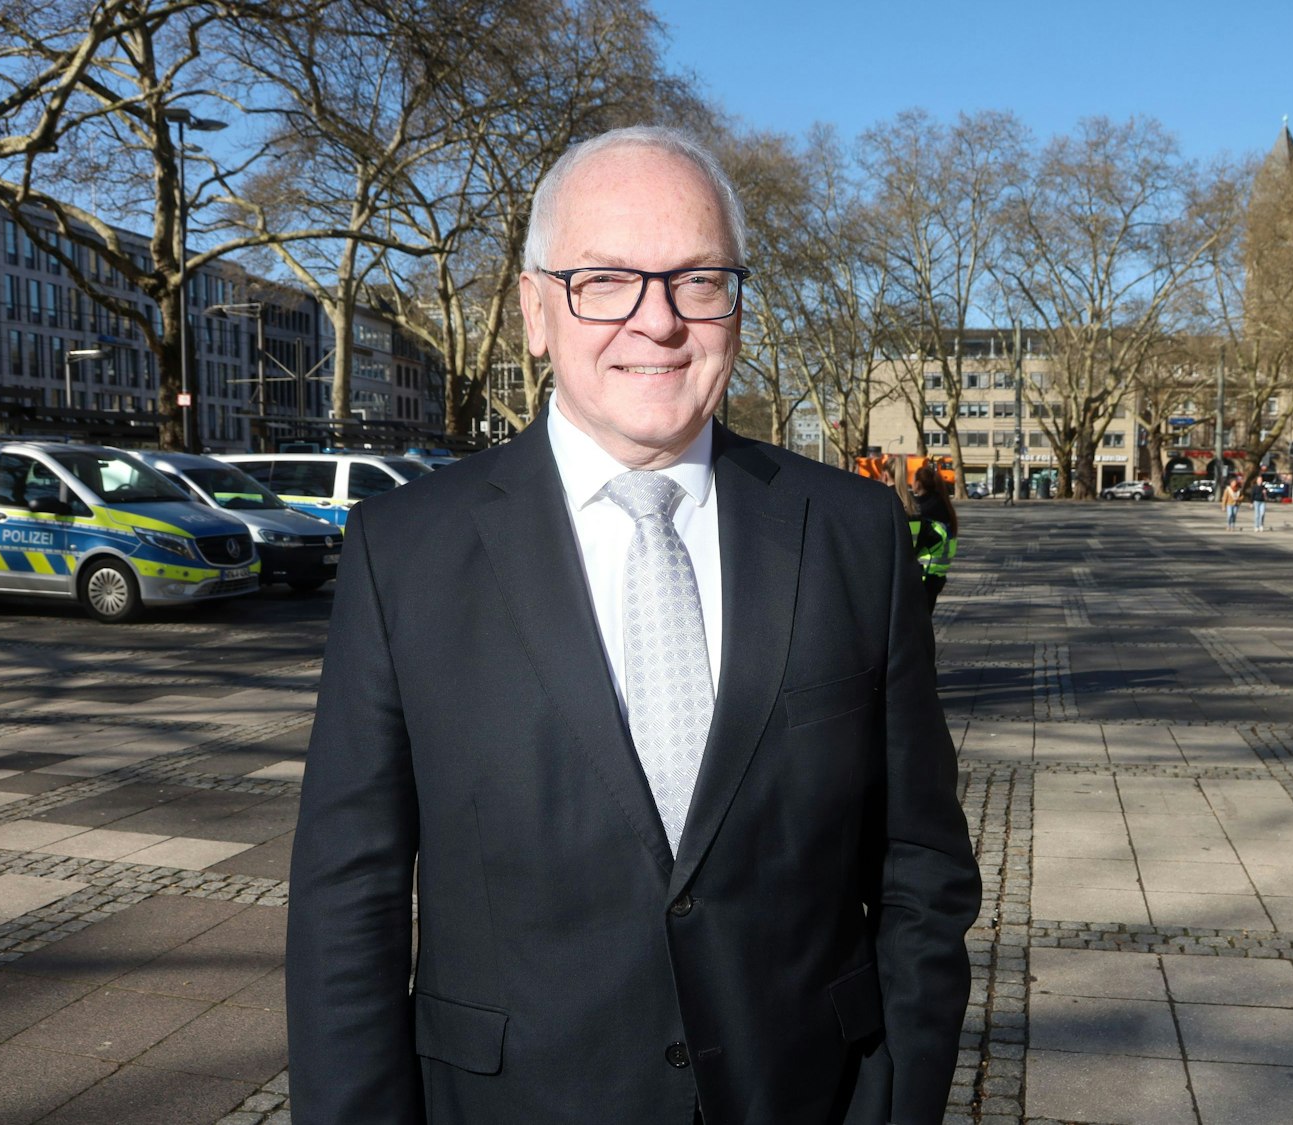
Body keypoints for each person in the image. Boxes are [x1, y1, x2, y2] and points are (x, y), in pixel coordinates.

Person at [286, 126, 982, 1125]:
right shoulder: (407, 547)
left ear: (735, 306)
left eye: (697, 279)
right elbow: (345, 898)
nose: (656, 322)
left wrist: (899, 1097)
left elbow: (919, 861)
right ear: (534, 311)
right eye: (604, 279)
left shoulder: (848, 531)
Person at [909, 461, 958, 607]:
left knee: (916, 625)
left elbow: (913, 543)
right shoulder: (942, 504)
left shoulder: (921, 510)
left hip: (924, 573)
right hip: (937, 574)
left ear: (918, 484)